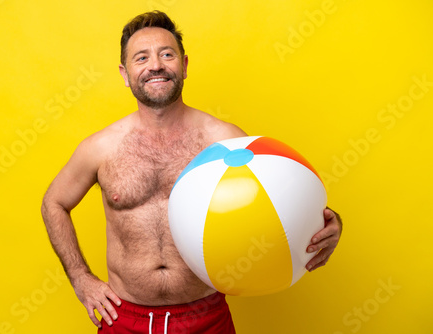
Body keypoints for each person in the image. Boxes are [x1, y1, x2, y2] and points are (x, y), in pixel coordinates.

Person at [41, 10, 343, 334]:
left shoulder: (225, 140)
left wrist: (328, 222)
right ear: (125, 73)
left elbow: (279, 198)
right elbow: (54, 203)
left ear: (184, 65)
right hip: (124, 319)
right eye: (141, 57)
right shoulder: (100, 148)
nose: (155, 65)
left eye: (166, 54)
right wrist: (81, 279)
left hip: (206, 317)